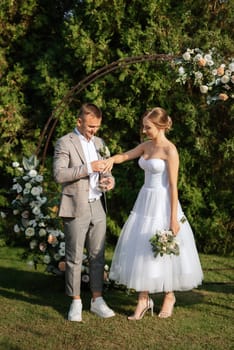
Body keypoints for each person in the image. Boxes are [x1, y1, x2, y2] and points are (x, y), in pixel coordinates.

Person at [103, 107, 203, 320]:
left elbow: (174, 187)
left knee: (165, 248)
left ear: (160, 126)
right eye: (144, 126)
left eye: (148, 127)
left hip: (163, 201)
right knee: (141, 246)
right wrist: (111, 160)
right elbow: (126, 155)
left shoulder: (170, 150)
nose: (144, 130)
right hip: (144, 201)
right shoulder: (146, 146)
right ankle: (143, 299)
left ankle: (169, 296)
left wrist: (173, 218)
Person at [53, 103, 115, 322]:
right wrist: (90, 167)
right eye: (90, 126)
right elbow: (59, 175)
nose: (94, 131)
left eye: (97, 127)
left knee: (98, 257)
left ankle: (97, 300)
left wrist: (109, 181)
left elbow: (106, 173)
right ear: (79, 121)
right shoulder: (64, 142)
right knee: (75, 257)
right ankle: (76, 301)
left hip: (98, 205)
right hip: (75, 206)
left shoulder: (100, 143)